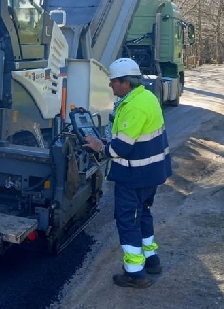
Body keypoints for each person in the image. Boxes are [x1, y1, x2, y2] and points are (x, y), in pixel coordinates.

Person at [84, 58, 172, 289]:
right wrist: (109, 140)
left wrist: (99, 146)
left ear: (125, 83)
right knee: (143, 215)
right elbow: (135, 137)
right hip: (151, 173)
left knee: (127, 221)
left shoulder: (133, 107)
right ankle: (151, 261)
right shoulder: (147, 97)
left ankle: (135, 274)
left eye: (113, 82)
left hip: (135, 176)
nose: (111, 86)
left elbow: (119, 150)